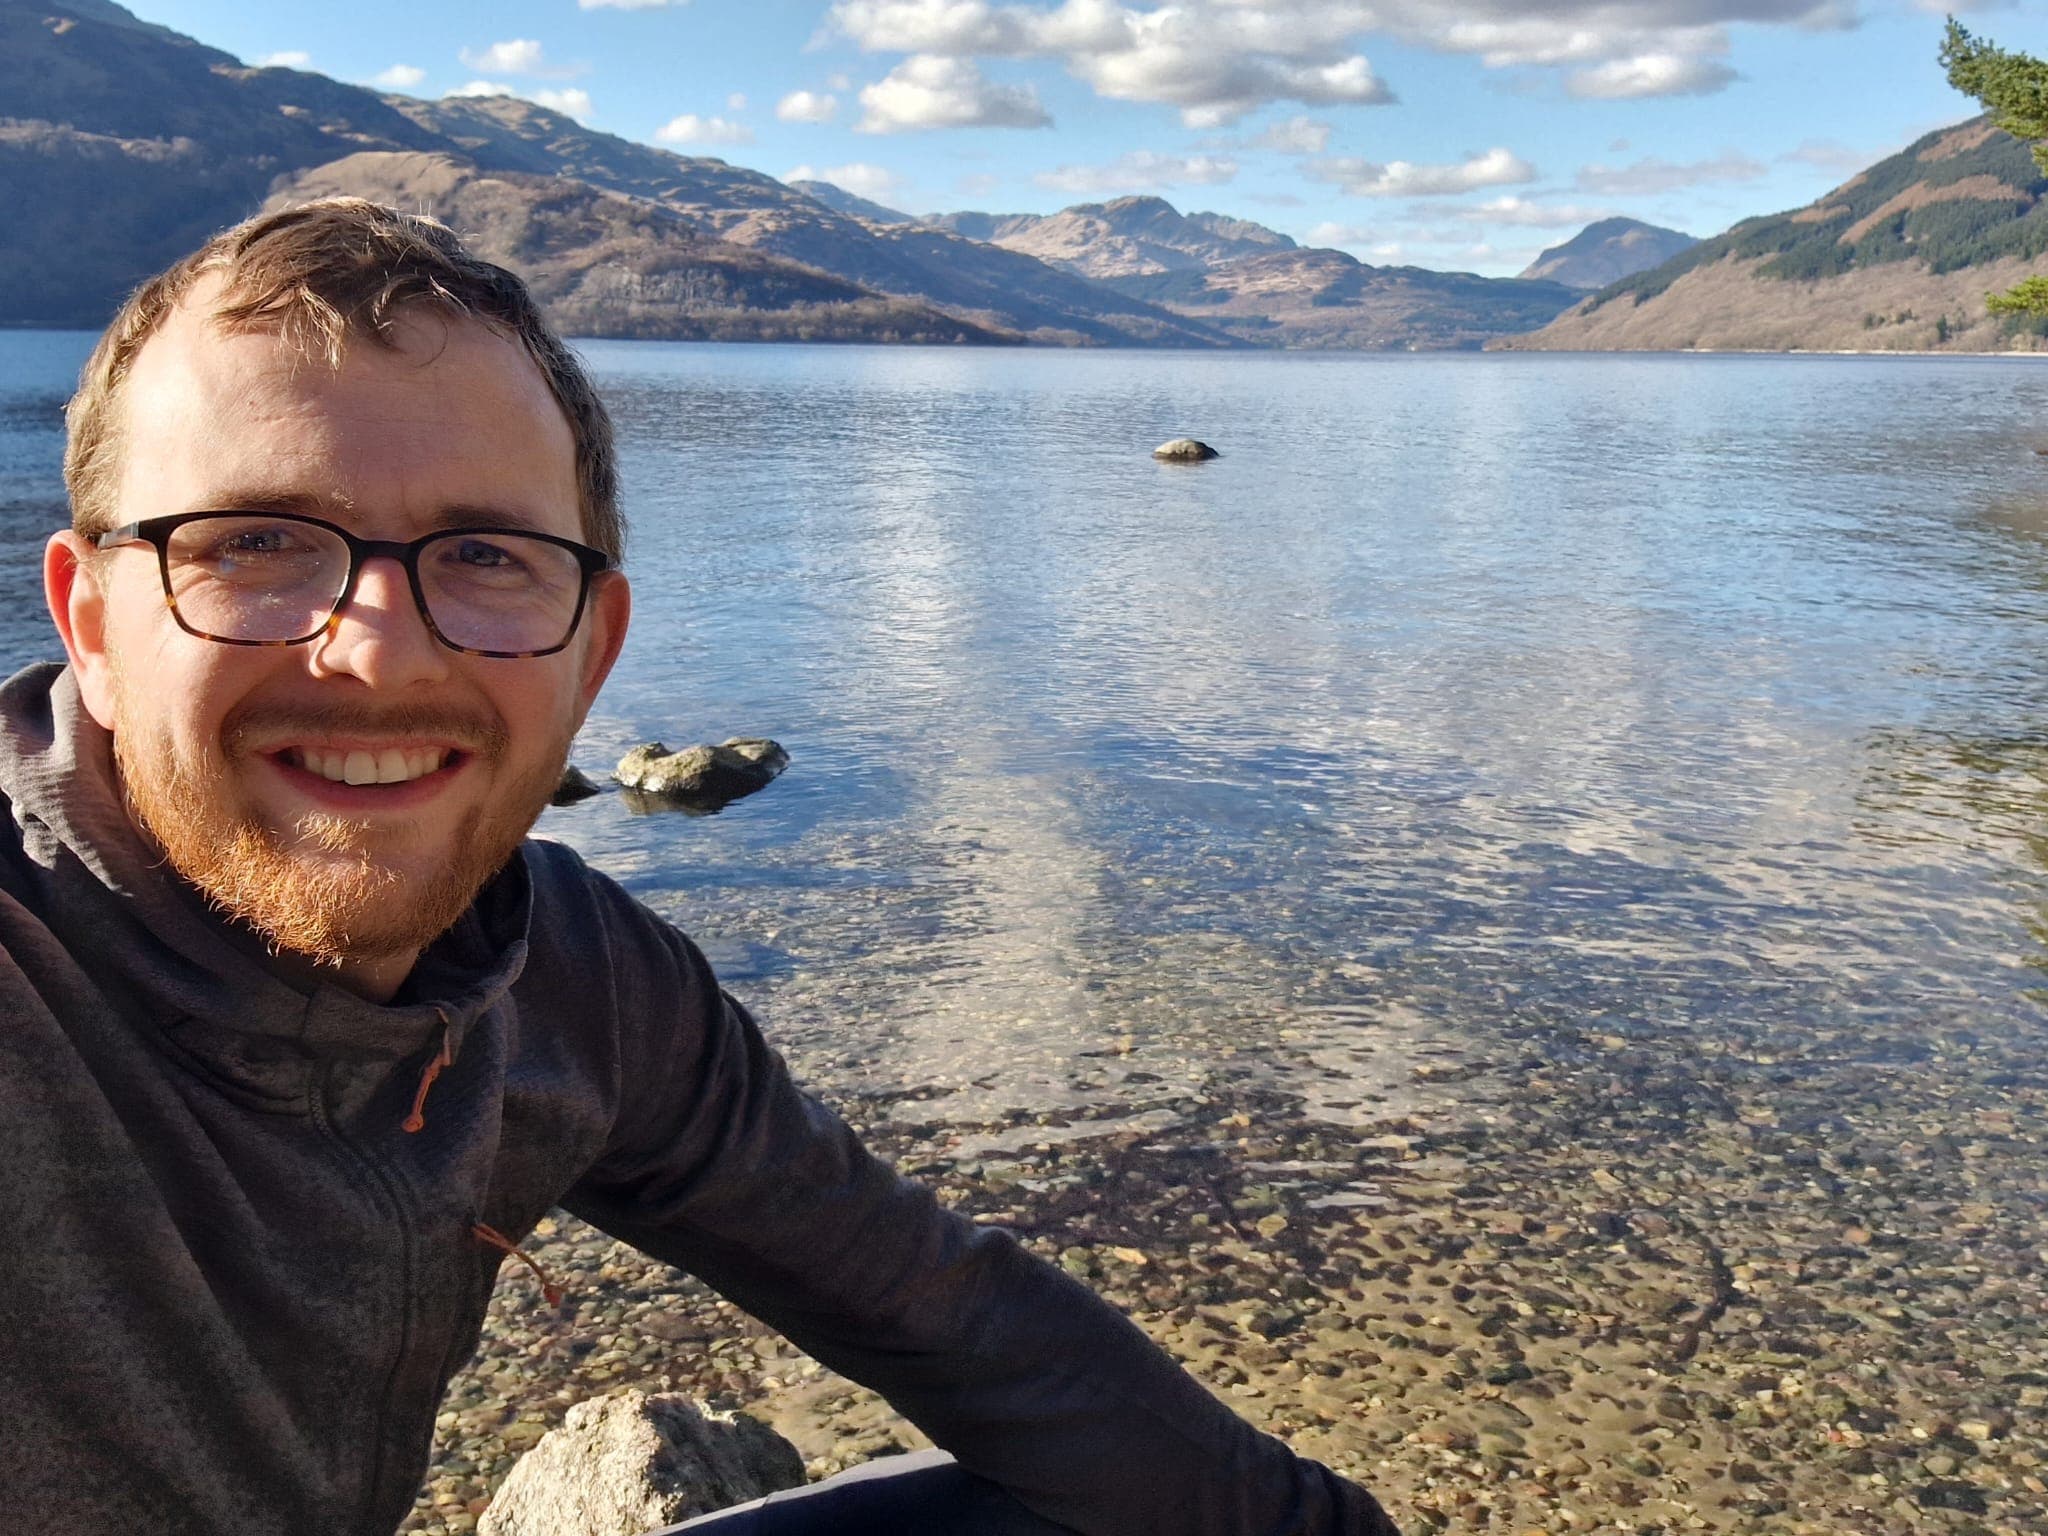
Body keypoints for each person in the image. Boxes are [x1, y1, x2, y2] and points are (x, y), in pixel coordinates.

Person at [0, 198, 1400, 1536]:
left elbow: (950, 1313)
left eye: (485, 553)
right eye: (253, 542)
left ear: (594, 650)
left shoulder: (573, 982)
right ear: (93, 624)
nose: (378, 649)